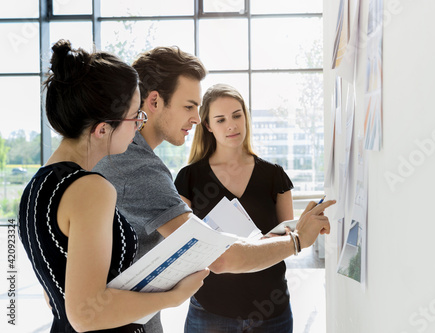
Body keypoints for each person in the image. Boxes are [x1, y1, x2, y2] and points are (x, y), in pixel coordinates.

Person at [93, 46, 334, 333]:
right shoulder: (141, 167)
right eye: (189, 106)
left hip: (135, 319)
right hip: (145, 320)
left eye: (236, 115)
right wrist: (298, 241)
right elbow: (218, 257)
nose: (195, 118)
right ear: (155, 101)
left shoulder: (118, 156)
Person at [17, 40, 208, 333]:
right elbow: (85, 315)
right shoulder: (92, 189)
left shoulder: (35, 187)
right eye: (135, 116)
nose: (139, 125)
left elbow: (55, 293)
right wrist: (173, 297)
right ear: (102, 129)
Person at [174, 83, 299, 332]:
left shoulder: (274, 175)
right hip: (211, 310)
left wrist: (272, 241)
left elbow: (289, 239)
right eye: (220, 120)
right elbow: (182, 244)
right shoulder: (189, 178)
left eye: (237, 115)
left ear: (246, 117)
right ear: (208, 126)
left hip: (271, 310)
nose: (231, 125)